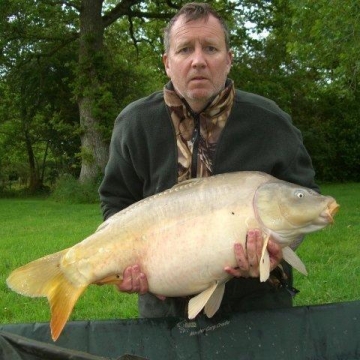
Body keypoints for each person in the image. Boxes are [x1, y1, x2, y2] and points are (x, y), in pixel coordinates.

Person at [98, 2, 319, 319]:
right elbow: (116, 200)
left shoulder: (270, 122)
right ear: (167, 62)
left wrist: (279, 251)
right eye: (185, 49)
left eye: (211, 48)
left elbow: (302, 198)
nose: (198, 61)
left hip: (259, 304)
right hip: (164, 310)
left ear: (228, 60)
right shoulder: (134, 124)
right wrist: (127, 263)